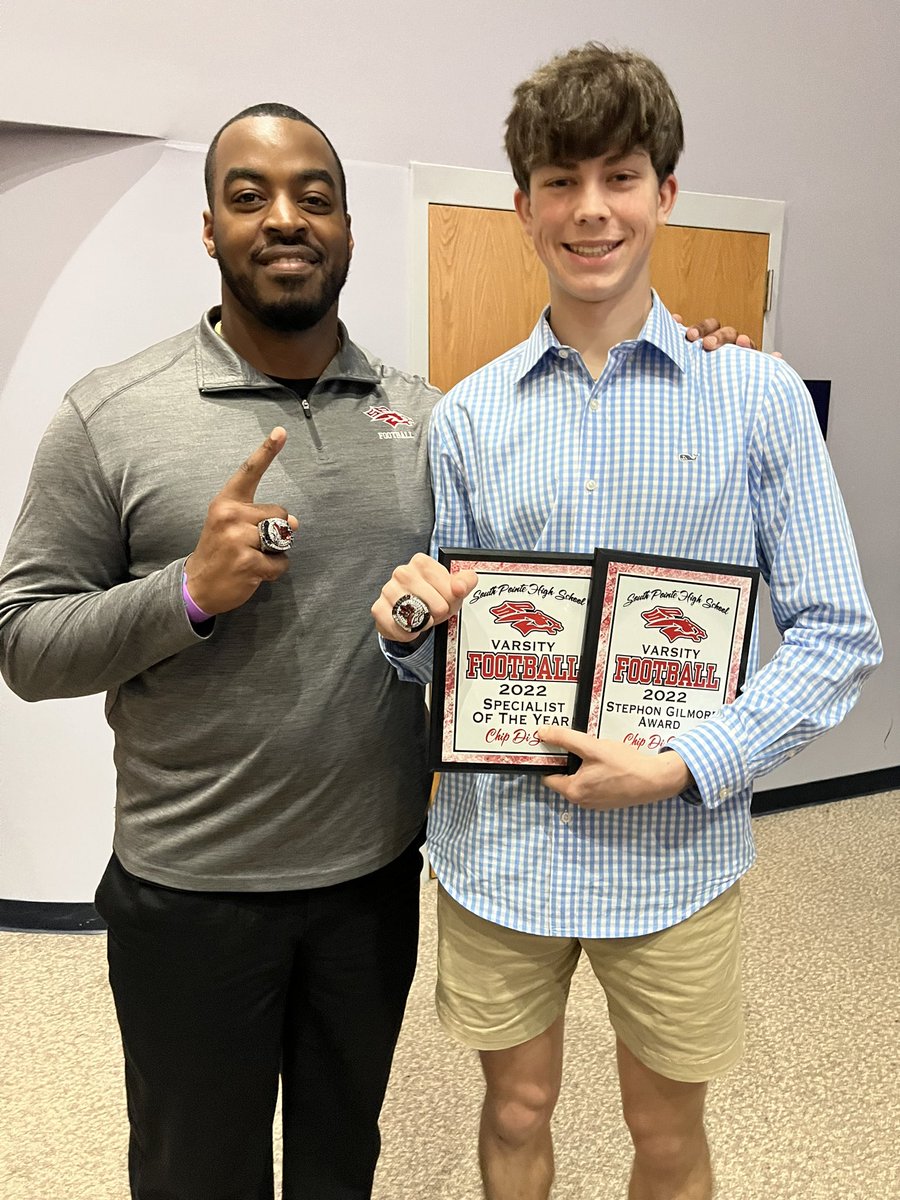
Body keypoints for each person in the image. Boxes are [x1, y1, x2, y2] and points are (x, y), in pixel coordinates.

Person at [0, 99, 757, 1200]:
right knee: (192, 1171)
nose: (285, 218)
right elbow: (24, 642)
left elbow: (508, 589)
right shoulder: (110, 413)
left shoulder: (431, 419)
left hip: (372, 879)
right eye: (248, 195)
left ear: (351, 229)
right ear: (208, 228)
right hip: (193, 888)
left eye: (316, 194)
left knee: (340, 1162)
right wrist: (186, 594)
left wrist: (706, 363)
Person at [372, 45, 881, 1200]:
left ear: (665, 195)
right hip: (500, 851)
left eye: (620, 175)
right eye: (560, 179)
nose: (589, 209)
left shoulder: (757, 399)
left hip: (676, 859)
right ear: (522, 205)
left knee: (664, 1133)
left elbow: (839, 634)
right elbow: (450, 648)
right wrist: (409, 628)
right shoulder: (468, 418)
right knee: (516, 1105)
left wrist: (688, 763)